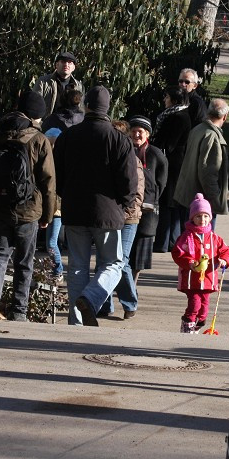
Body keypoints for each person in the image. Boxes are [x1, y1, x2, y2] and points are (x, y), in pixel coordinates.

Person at [53, 85, 138, 327]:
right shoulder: (118, 139)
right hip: (108, 211)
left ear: (85, 106)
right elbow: (128, 180)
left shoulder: (68, 136)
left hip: (74, 209)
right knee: (113, 262)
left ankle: (76, 321)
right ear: (108, 108)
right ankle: (90, 299)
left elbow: (57, 174)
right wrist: (124, 204)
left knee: (77, 266)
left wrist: (66, 195)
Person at [0, 91, 56, 321]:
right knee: (24, 262)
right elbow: (49, 182)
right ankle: (19, 311)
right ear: (37, 116)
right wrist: (47, 215)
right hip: (28, 210)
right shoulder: (39, 140)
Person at [99, 120, 145, 320]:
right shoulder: (104, 158)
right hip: (109, 217)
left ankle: (130, 301)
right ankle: (104, 303)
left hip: (127, 218)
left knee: (121, 261)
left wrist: (123, 211)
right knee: (103, 261)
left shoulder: (132, 160)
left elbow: (137, 193)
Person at [172, 193, 229, 333]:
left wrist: (224, 260)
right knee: (195, 303)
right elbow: (177, 253)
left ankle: (198, 324)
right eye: (198, 216)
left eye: (206, 216)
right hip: (191, 279)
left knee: (204, 307)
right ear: (192, 217)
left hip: (208, 279)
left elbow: (226, 251)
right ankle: (187, 326)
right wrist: (189, 262)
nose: (202, 220)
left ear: (210, 218)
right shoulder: (187, 237)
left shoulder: (214, 238)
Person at [127, 116, 167, 300]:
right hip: (126, 211)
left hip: (148, 211)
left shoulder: (156, 155)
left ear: (147, 134)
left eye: (140, 131)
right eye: (134, 130)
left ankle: (132, 285)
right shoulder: (125, 150)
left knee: (139, 257)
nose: (136, 134)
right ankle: (126, 286)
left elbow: (162, 182)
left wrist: (152, 199)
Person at [174, 98, 229, 227]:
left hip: (189, 196)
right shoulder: (212, 136)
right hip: (202, 203)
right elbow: (208, 172)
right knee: (202, 243)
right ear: (225, 116)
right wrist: (216, 200)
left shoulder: (198, 129)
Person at [152, 87, 192, 252]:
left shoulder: (176, 117)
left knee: (167, 203)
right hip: (176, 163)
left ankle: (162, 242)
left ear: (174, 100)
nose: (164, 100)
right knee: (172, 204)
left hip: (171, 164)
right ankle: (171, 241)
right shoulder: (180, 115)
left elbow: (169, 143)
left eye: (167, 97)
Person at [43, 127, 65, 283]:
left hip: (57, 208)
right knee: (49, 242)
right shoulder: (47, 158)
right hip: (50, 206)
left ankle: (58, 271)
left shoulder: (60, 160)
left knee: (51, 242)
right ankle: (54, 270)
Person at [33, 51, 83, 116]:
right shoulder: (43, 82)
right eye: (63, 61)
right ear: (57, 65)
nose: (66, 64)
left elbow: (80, 108)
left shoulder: (78, 86)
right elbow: (35, 104)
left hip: (70, 124)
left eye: (69, 62)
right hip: (47, 123)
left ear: (74, 67)